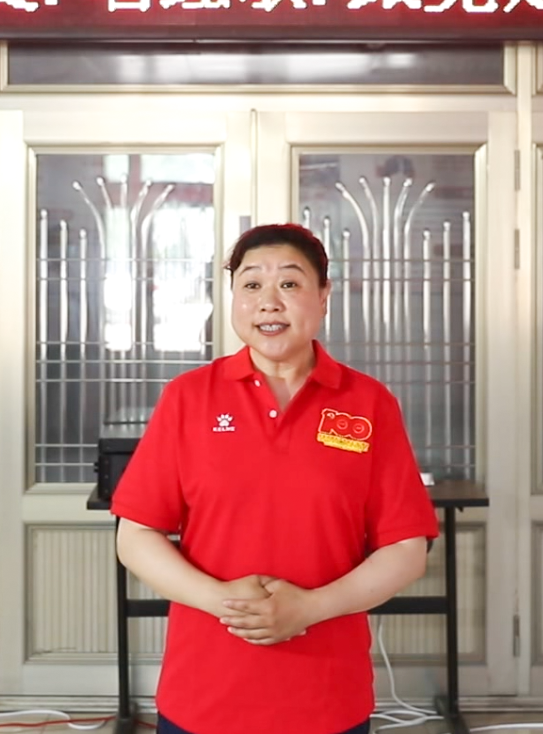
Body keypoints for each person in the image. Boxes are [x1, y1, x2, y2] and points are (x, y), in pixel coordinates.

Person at [109, 223, 439, 734]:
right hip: (205, 694)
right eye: (251, 284)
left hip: (327, 698)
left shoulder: (368, 403)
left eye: (289, 283)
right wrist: (228, 603)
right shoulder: (189, 398)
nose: (269, 302)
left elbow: (406, 549)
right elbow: (136, 536)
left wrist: (308, 608)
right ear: (233, 298)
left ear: (323, 296)